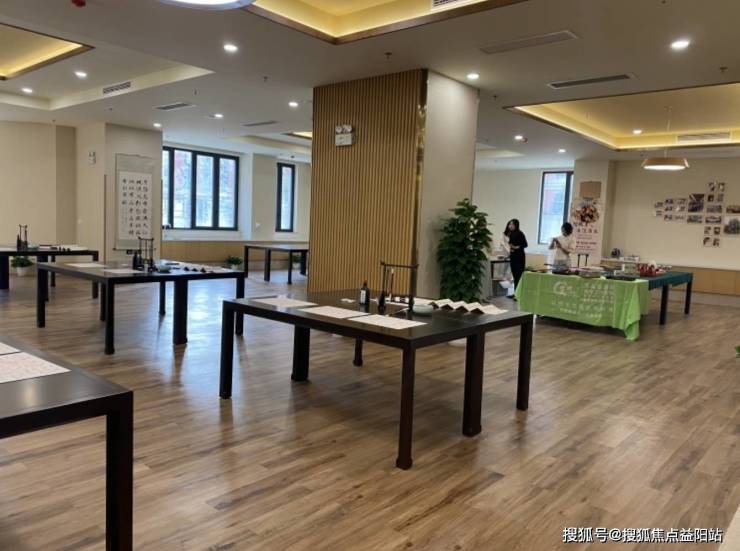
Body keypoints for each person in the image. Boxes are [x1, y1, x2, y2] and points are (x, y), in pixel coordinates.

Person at [504, 219, 528, 294]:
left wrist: (515, 247)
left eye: (512, 224)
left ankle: (518, 294)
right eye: (509, 224)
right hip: (513, 257)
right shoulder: (511, 234)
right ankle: (515, 293)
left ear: (516, 225)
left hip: (519, 257)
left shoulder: (520, 233)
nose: (510, 226)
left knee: (518, 276)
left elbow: (525, 244)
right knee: (515, 276)